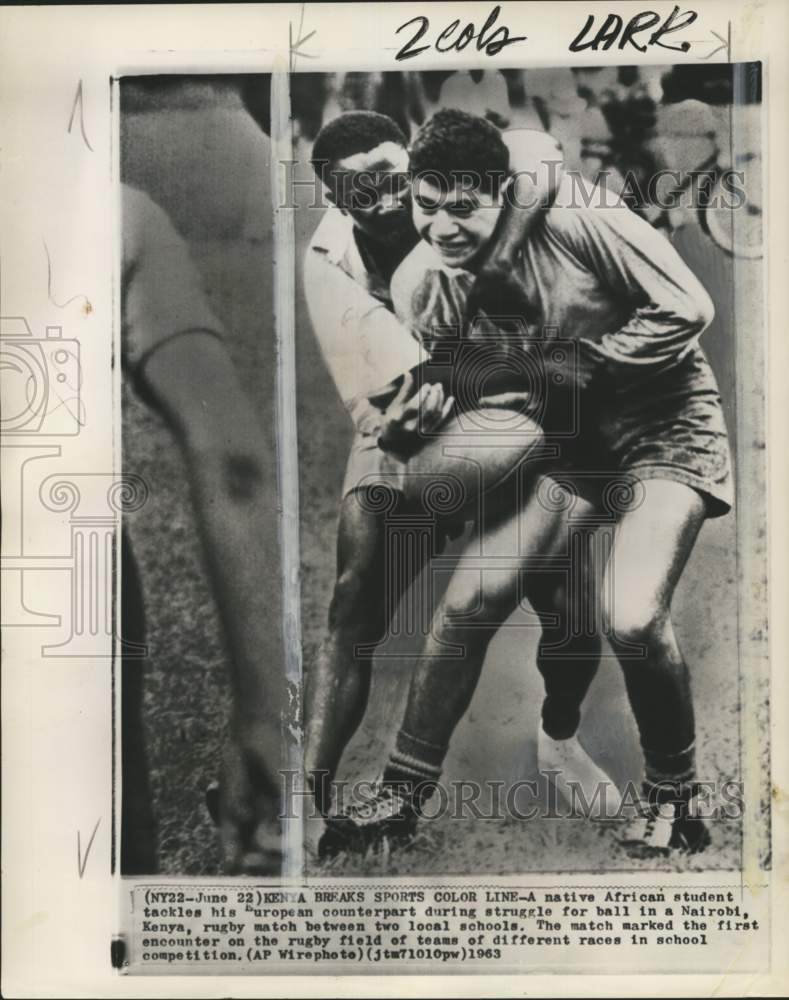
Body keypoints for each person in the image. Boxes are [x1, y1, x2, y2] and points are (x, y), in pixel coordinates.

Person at [336, 109, 731, 857]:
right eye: (426, 204)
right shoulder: (423, 281)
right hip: (566, 434)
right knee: (470, 600)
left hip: (663, 417)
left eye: (463, 206)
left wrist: (595, 359)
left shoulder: (578, 214)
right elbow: (481, 382)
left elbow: (689, 306)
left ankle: (675, 793)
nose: (442, 226)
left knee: (632, 615)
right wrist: (431, 401)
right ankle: (399, 795)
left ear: (501, 193)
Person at [300, 111, 616, 841]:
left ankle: (559, 737)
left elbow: (536, 152)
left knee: (567, 608)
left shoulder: (464, 183)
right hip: (423, 411)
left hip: (535, 403)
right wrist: (426, 413)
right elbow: (394, 396)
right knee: (355, 598)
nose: (380, 200)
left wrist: (500, 258)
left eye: (390, 179)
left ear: (410, 160)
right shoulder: (326, 262)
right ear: (331, 197)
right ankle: (306, 799)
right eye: (356, 192)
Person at [121, 183, 286, 874]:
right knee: (88, 922)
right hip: (64, 604)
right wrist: (264, 717)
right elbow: (235, 464)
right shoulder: (116, 214)